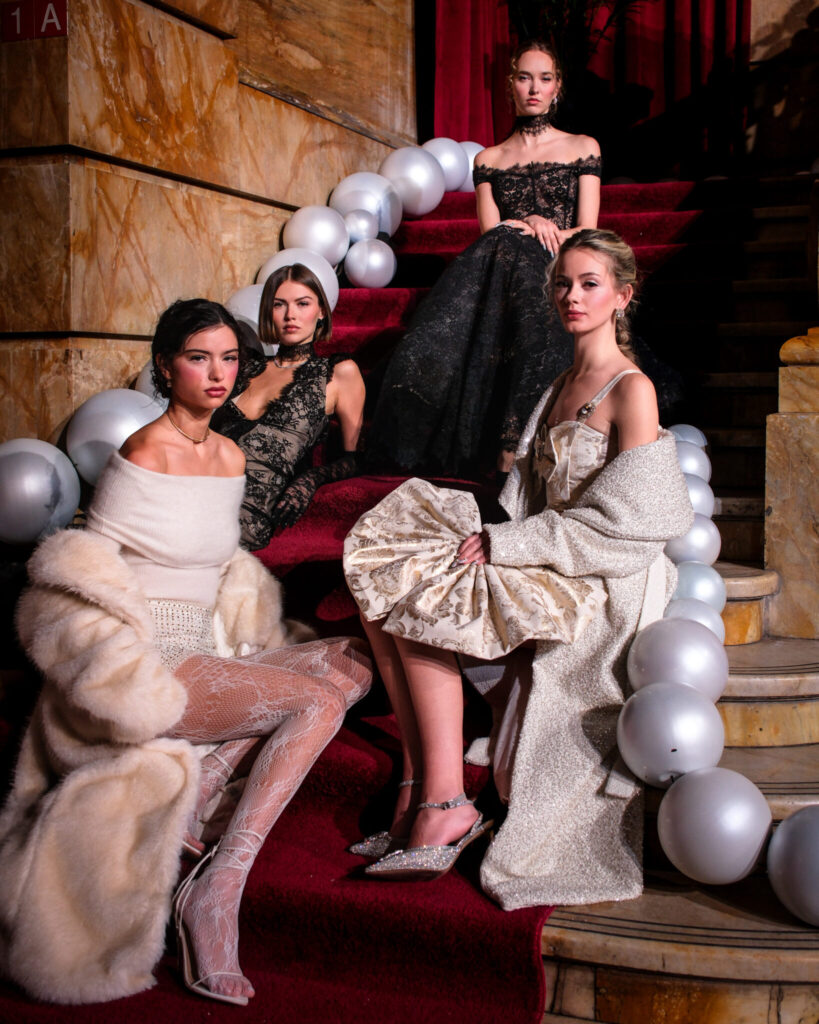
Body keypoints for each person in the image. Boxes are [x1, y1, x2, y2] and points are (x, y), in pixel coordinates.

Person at [0, 298, 372, 1006]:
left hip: (205, 646)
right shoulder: (144, 452)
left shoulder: (229, 455)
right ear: (166, 367)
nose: (218, 373)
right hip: (154, 661)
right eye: (199, 358)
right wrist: (119, 672)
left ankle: (203, 788)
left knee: (353, 660)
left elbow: (219, 562)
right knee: (317, 701)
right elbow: (87, 573)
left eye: (229, 358)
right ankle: (218, 889)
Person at [343, 230, 694, 909]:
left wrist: (510, 545)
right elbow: (529, 499)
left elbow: (631, 524)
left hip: (603, 574)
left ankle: (446, 803)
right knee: (391, 571)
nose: (571, 296)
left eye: (589, 283)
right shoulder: (560, 384)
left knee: (425, 604)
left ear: (623, 296)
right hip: (550, 551)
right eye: (562, 282)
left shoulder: (633, 390)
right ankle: (416, 788)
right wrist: (498, 537)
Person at [366, 40, 602, 476]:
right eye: (524, 78)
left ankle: (513, 437)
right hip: (505, 270)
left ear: (558, 87)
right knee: (505, 246)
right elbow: (491, 236)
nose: (534, 88)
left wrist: (540, 227)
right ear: (511, 85)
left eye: (545, 79)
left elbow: (588, 230)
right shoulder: (488, 159)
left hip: (563, 262)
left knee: (516, 256)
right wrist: (525, 224)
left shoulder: (582, 146)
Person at [212, 263, 366, 550]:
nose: (290, 315)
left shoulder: (338, 372)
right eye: (279, 304)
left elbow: (355, 459)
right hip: (200, 488)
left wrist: (311, 479)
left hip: (248, 515)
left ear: (321, 311)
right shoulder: (246, 367)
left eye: (302, 304)